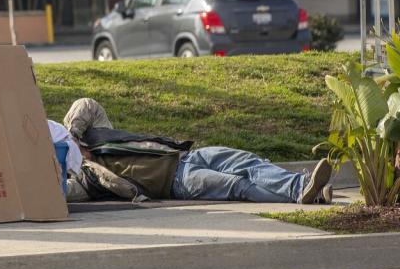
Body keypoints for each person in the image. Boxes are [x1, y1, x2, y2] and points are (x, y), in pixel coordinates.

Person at [59, 98, 333, 204]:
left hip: (184, 156)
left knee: (247, 160)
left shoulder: (95, 133)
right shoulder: (85, 181)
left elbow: (87, 105)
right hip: (176, 182)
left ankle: (303, 186)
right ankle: (307, 193)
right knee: (238, 185)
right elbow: (62, 193)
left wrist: (73, 135)